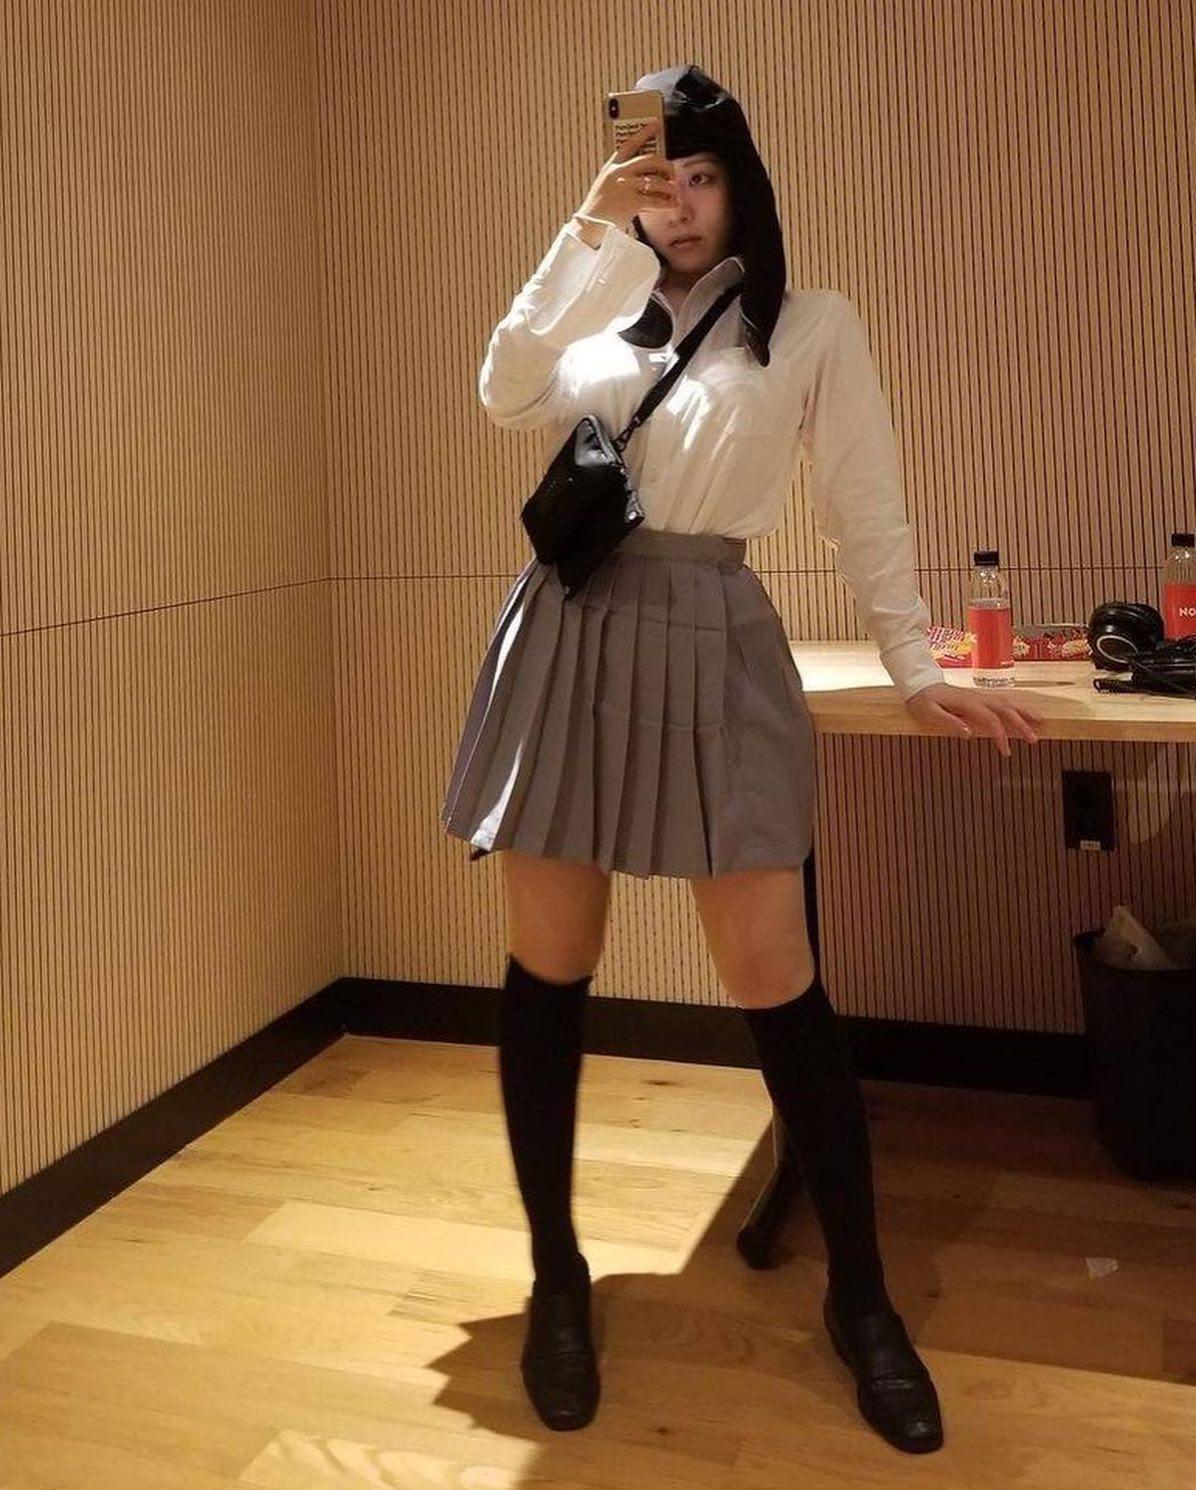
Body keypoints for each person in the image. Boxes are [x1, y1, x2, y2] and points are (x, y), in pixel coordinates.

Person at [441, 63, 1042, 1450]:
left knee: (776, 970)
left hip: (716, 633)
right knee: (550, 964)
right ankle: (556, 1277)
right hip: (572, 635)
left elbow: (865, 501)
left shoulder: (812, 324)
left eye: (701, 177)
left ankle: (863, 1297)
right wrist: (586, 229)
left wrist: (915, 668)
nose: (680, 206)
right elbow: (503, 388)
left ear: (743, 187)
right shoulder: (600, 305)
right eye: (657, 182)